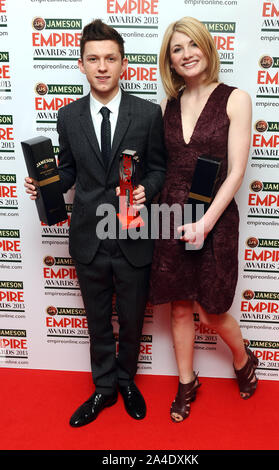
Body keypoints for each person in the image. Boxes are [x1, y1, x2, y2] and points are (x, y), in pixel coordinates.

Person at [25, 19, 166, 426]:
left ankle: (126, 381)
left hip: (133, 235)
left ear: (124, 64)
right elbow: (68, 170)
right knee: (98, 319)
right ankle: (103, 388)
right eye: (93, 59)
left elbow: (158, 168)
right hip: (88, 237)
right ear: (81, 64)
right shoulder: (67, 116)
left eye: (110, 58)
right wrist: (47, 185)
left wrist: (147, 189)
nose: (102, 66)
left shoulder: (147, 113)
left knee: (134, 317)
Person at [149, 16, 258, 423]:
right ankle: (186, 382)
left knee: (211, 310)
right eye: (177, 49)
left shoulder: (236, 98)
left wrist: (207, 222)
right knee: (179, 307)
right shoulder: (167, 104)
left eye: (192, 45)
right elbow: (164, 165)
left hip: (215, 217)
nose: (186, 54)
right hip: (172, 214)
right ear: (170, 60)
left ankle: (243, 358)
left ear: (207, 48)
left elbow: (235, 172)